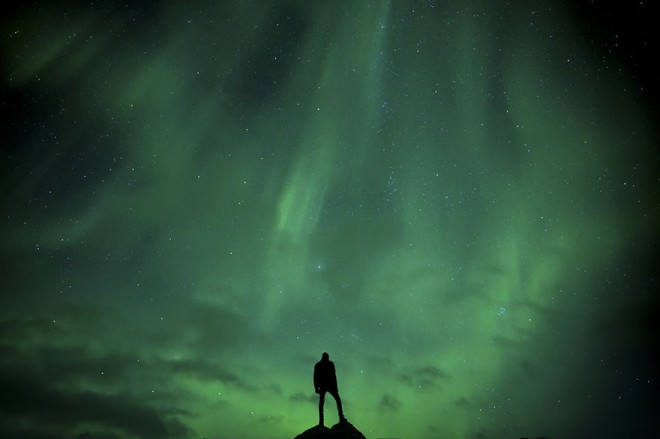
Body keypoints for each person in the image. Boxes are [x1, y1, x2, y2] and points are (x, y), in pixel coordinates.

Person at [314, 352, 346, 426]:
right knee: (336, 400)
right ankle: (340, 418)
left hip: (325, 386)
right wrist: (335, 386)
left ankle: (321, 422)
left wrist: (316, 388)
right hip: (328, 385)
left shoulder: (319, 365)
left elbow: (315, 377)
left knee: (323, 404)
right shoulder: (328, 364)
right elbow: (333, 375)